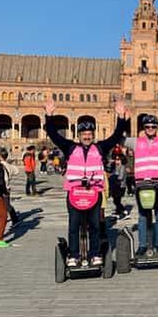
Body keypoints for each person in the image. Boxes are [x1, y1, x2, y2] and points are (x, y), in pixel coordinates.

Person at [45, 98, 127, 267]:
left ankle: (95, 253)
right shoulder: (70, 147)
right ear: (79, 135)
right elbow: (53, 134)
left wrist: (120, 117)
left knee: (95, 224)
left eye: (89, 134)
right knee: (74, 224)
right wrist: (49, 115)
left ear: (93, 135)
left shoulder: (100, 148)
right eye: (84, 134)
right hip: (74, 191)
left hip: (94, 191)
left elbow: (116, 136)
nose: (87, 136)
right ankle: (74, 255)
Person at [124, 111, 158, 258]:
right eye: (147, 126)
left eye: (153, 126)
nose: (150, 128)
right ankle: (142, 245)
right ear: (143, 128)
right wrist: (121, 119)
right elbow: (119, 139)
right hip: (142, 183)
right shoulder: (136, 142)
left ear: (157, 127)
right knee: (143, 215)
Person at [0, 148, 21, 227]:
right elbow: (17, 171)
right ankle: (15, 219)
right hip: (7, 188)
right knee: (7, 205)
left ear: (0, 156)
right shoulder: (8, 165)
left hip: (0, 188)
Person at [108, 152, 129, 219]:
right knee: (115, 200)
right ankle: (118, 211)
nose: (117, 161)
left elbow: (121, 177)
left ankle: (123, 211)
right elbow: (109, 169)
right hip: (115, 186)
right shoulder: (115, 166)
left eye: (118, 159)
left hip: (120, 186)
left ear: (121, 160)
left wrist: (113, 176)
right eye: (116, 159)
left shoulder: (122, 166)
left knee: (117, 200)